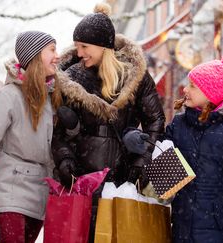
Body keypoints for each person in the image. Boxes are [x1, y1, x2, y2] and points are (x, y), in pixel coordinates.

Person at [52, 3, 165, 242]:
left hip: (124, 181)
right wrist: (65, 161)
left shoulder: (136, 78)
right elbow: (59, 133)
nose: (79, 53)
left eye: (84, 46)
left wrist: (142, 160)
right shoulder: (71, 78)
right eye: (77, 46)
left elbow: (155, 120)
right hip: (82, 180)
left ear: (104, 46)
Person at [0, 30, 62, 243]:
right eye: (52, 50)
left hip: (40, 191)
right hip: (11, 188)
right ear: (35, 56)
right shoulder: (7, 97)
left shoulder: (53, 99)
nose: (58, 55)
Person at [165, 52, 223, 243]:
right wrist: (139, 140)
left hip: (218, 229)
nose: (185, 90)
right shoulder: (179, 125)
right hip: (181, 226)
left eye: (192, 86)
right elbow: (159, 151)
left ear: (210, 93)